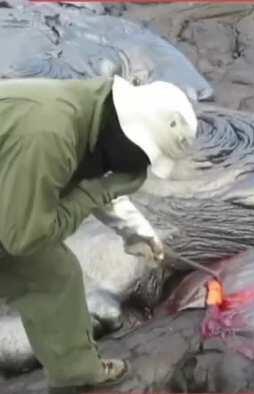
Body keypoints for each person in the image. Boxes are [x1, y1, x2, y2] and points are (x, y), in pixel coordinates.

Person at [0, 75, 197, 391]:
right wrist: (97, 193)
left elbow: (84, 177)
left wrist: (135, 232)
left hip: (9, 196)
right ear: (129, 135)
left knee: (55, 275)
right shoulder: (50, 132)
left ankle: (76, 374)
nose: (139, 167)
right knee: (34, 250)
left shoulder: (96, 118)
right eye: (143, 157)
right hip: (15, 219)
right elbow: (24, 236)